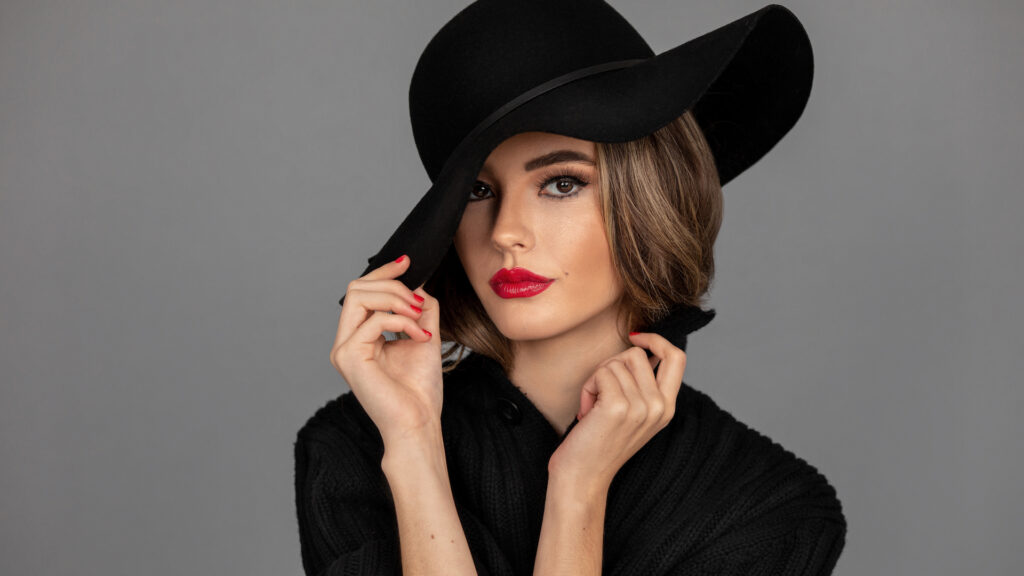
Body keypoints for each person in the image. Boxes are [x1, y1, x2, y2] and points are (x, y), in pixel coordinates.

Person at [294, 2, 847, 575]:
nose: (506, 232)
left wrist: (577, 490)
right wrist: (414, 447)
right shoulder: (356, 448)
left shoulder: (767, 507)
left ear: (649, 199)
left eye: (561, 183)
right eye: (478, 192)